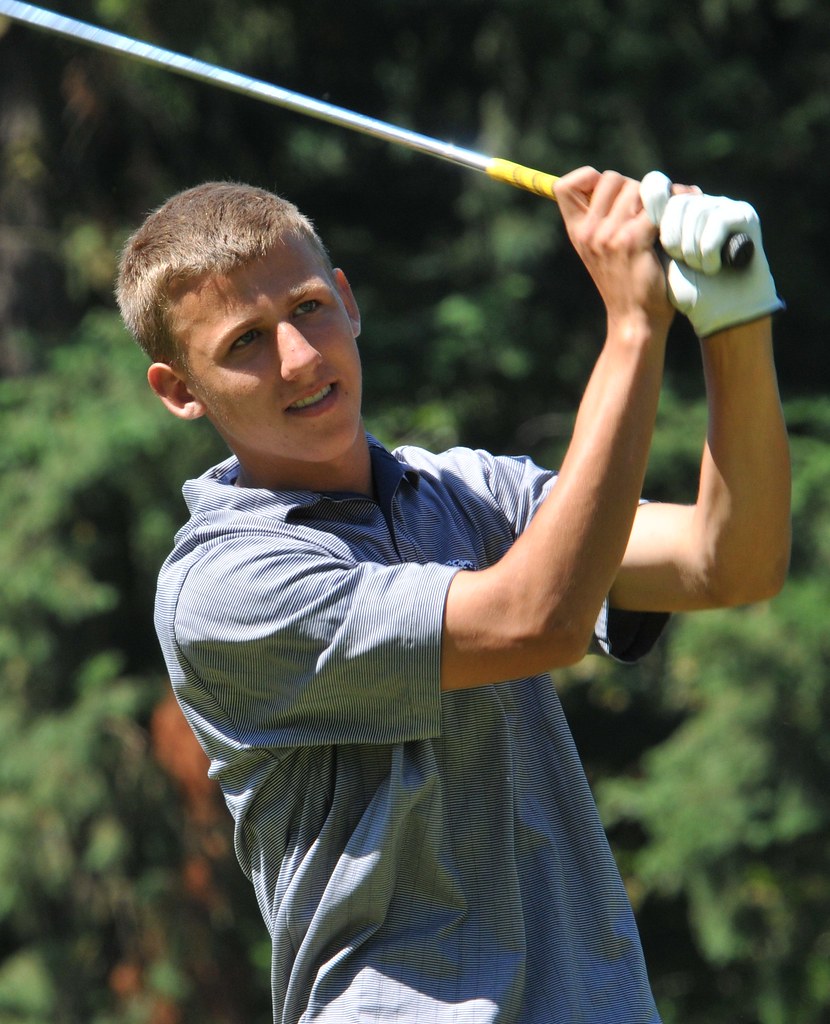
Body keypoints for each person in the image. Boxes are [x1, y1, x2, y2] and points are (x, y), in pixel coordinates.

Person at [116, 166, 790, 1023]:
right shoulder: (223, 587)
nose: (298, 358)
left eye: (309, 309)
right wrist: (632, 326)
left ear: (349, 302)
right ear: (180, 390)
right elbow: (532, 622)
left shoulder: (469, 492)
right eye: (245, 342)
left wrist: (734, 315)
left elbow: (730, 560)